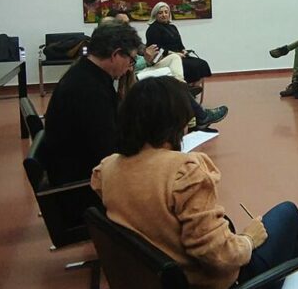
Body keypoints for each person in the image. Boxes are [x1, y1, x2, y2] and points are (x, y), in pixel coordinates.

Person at [90, 76, 298, 289]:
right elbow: (218, 255)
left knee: (286, 239)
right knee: (288, 214)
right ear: (173, 123)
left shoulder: (108, 168)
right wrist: (248, 239)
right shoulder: (183, 171)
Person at [44, 22, 227, 186]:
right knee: (186, 174)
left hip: (81, 168)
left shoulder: (85, 74)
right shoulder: (88, 90)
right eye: (131, 60)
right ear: (116, 55)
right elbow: (109, 151)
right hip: (83, 183)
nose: (130, 67)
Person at [146, 2, 212, 84]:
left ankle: (192, 89)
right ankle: (184, 88)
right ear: (155, 15)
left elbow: (179, 43)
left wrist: (183, 50)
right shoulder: (153, 29)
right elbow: (157, 49)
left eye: (166, 12)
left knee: (202, 64)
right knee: (191, 66)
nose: (164, 15)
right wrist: (174, 53)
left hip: (179, 55)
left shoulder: (172, 27)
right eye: (160, 13)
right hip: (164, 58)